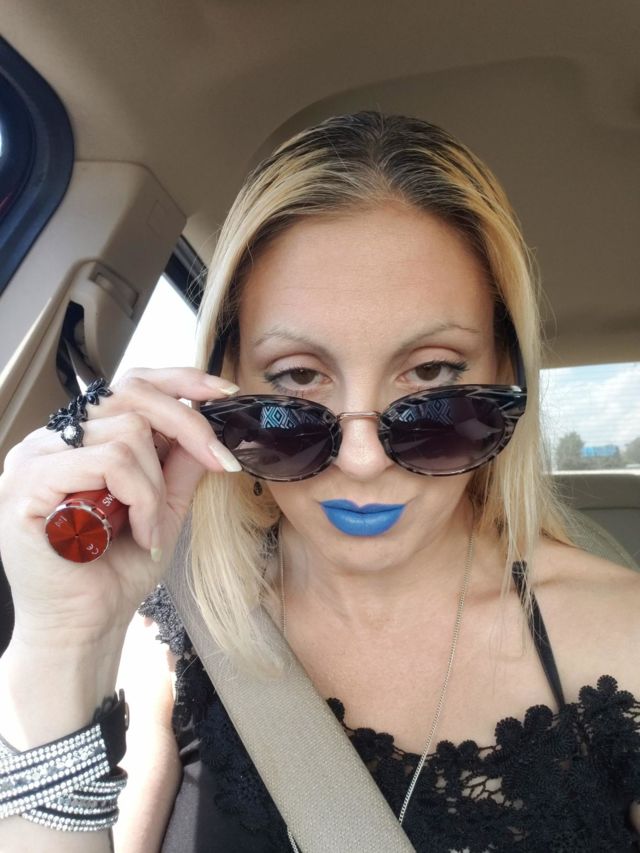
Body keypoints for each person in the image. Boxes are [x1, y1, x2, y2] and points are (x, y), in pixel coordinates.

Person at [0, 111, 639, 853]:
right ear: (226, 381)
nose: (363, 459)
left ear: (506, 374)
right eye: (298, 379)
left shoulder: (622, 638)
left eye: (432, 372)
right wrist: (63, 647)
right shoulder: (181, 630)